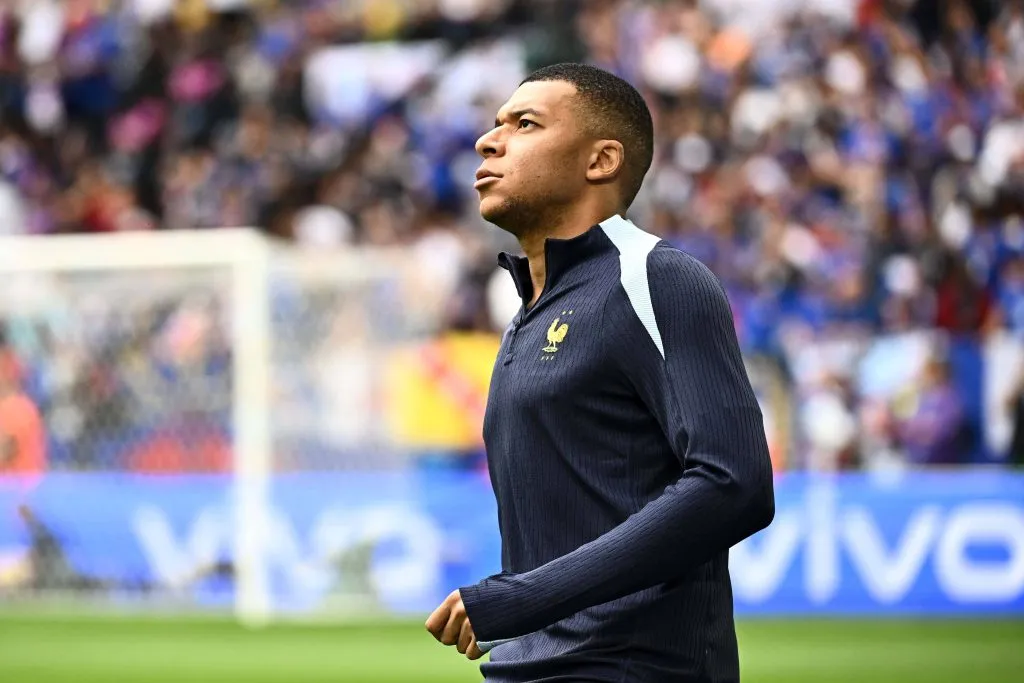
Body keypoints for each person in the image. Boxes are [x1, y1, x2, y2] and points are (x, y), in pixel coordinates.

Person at [425, 63, 775, 682]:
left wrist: (524, 597)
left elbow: (733, 483)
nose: (488, 139)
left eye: (524, 124)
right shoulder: (526, 317)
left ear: (601, 160)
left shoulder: (656, 279)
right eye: (495, 123)